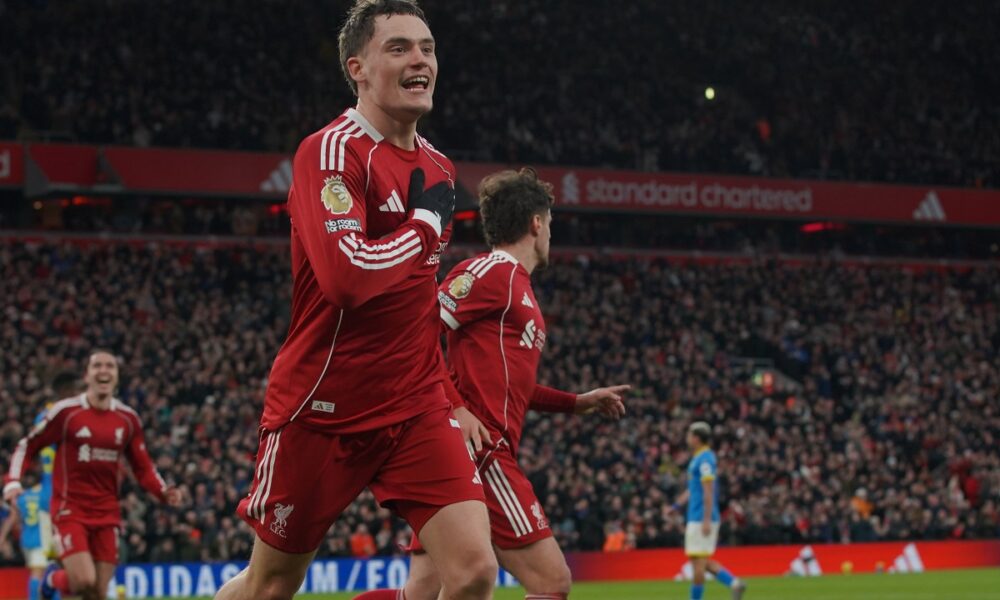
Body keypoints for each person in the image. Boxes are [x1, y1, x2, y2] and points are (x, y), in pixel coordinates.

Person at [214, 2, 496, 599]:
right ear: (358, 68)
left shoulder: (439, 168)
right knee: (271, 585)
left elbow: (417, 298)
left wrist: (447, 395)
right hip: (324, 407)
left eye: (427, 48)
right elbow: (347, 278)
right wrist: (423, 226)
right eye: (399, 48)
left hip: (414, 405)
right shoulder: (329, 152)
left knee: (474, 571)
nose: (420, 59)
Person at [355, 168, 630, 600]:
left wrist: (576, 402)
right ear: (536, 223)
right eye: (550, 224)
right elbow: (418, 331)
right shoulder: (492, 272)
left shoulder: (517, 287)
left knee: (421, 593)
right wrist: (458, 408)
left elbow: (510, 386)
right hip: (481, 449)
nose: (551, 234)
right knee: (551, 582)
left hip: (460, 451)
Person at [3, 350, 182, 600]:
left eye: (110, 366)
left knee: (97, 592)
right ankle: (52, 579)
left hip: (107, 512)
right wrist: (12, 481)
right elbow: (28, 446)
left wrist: (162, 491)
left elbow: (143, 467)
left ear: (116, 376)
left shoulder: (128, 419)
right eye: (97, 366)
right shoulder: (66, 413)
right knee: (84, 580)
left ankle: (60, 581)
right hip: (70, 509)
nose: (103, 371)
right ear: (87, 376)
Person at [671, 422, 746, 600]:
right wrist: (676, 506)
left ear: (696, 438)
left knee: (698, 565)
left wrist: (706, 519)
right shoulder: (698, 458)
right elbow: (693, 489)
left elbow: (708, 491)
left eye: (689, 435)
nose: (687, 438)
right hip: (696, 516)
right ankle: (734, 583)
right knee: (700, 562)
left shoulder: (705, 459)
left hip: (701, 517)